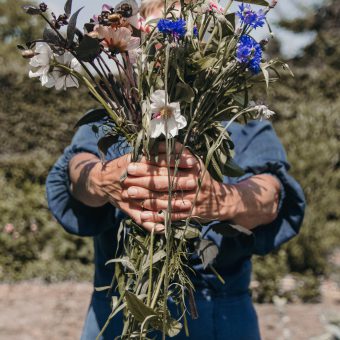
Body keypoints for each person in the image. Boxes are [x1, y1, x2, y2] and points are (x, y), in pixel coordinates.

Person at [46, 1, 306, 339]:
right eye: (152, 35)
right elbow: (75, 170)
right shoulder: (114, 115)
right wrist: (102, 179)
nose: (164, 50)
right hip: (120, 307)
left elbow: (272, 195)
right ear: (134, 38)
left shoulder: (238, 121)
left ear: (205, 45)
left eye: (179, 35)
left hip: (216, 315)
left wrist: (225, 200)